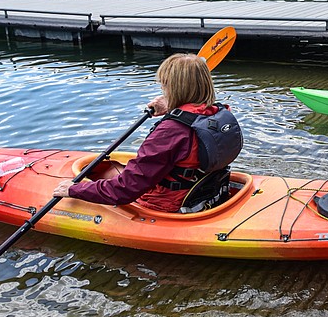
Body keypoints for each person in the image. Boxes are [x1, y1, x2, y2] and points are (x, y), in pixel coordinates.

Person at [53, 53, 242, 212]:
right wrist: (174, 107)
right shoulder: (219, 113)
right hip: (209, 190)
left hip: (166, 204)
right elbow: (193, 122)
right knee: (112, 169)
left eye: (164, 84)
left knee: (107, 178)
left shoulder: (170, 131)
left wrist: (75, 189)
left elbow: (126, 189)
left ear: (173, 88)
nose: (162, 88)